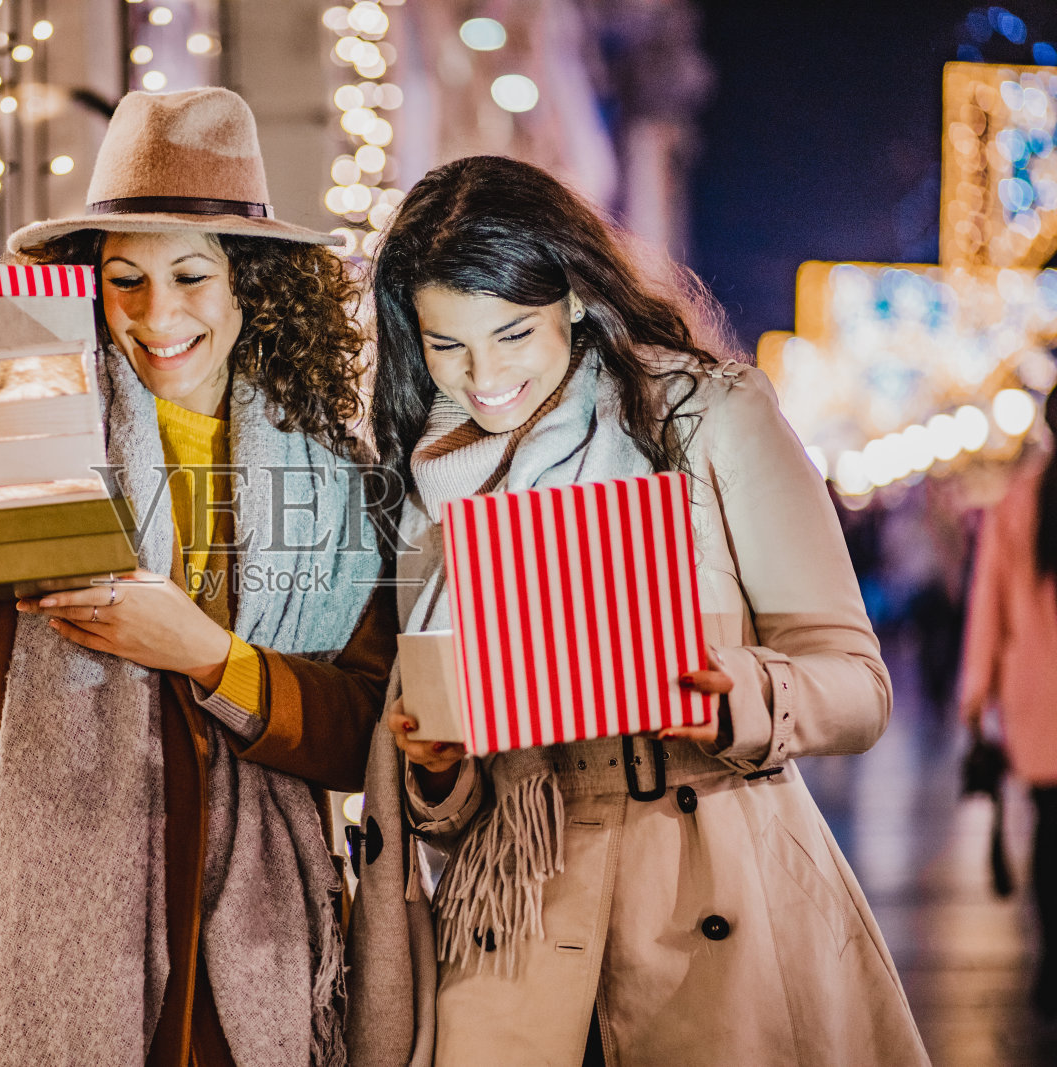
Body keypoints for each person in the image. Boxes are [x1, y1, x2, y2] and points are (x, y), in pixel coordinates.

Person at [0, 88, 395, 1067]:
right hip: (48, 914)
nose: (158, 314)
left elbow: (361, 729)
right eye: (126, 280)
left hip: (244, 939)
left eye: (190, 275)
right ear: (89, 287)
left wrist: (211, 658)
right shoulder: (26, 427)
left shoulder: (339, 481)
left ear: (248, 285)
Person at [345, 155, 927, 1066]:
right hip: (515, 925)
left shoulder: (706, 415)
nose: (482, 376)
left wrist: (739, 694)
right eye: (446, 344)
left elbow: (860, 685)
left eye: (513, 333)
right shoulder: (428, 476)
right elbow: (451, 800)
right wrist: (437, 768)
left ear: (574, 297)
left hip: (715, 897)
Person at [960, 394, 1057, 1015]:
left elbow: (987, 603)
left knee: (1050, 828)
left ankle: (1052, 964)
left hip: (1038, 698)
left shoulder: (1018, 500)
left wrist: (977, 696)